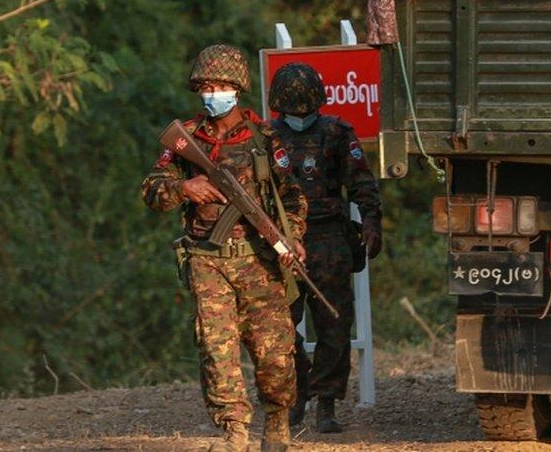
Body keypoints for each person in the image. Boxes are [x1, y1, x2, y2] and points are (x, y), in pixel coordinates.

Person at [141, 45, 308, 452]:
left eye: (219, 86)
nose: (210, 93)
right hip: (206, 259)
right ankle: (233, 430)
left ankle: (277, 420)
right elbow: (151, 189)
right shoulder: (187, 140)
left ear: (237, 88)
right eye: (205, 86)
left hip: (259, 261)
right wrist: (184, 187)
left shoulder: (265, 139)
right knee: (217, 348)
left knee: (274, 352)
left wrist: (294, 237)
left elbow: (292, 197)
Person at [267, 62, 382, 433]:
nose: (299, 114)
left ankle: (326, 402)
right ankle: (298, 390)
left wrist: (371, 220)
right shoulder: (265, 137)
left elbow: (361, 181)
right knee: (281, 325)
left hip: (329, 237)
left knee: (334, 323)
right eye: (292, 107)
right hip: (281, 242)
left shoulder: (335, 132)